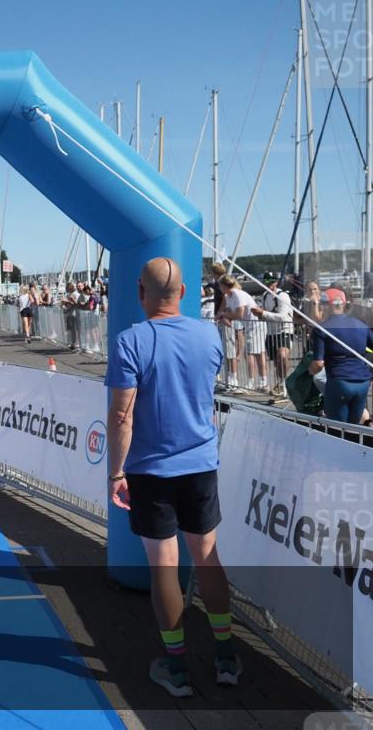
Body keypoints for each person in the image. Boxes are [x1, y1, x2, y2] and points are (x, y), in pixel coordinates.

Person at [105, 257, 240, 698]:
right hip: (200, 464)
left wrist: (115, 472)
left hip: (152, 470)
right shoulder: (208, 334)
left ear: (139, 293)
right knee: (207, 558)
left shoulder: (131, 341)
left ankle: (176, 666)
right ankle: (225, 657)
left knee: (163, 564)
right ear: (183, 293)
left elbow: (122, 416)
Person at [309, 292, 373, 424]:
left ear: (326, 306)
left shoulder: (321, 329)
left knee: (339, 430)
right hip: (362, 384)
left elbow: (319, 364)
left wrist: (310, 370)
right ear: (343, 304)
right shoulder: (361, 325)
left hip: (340, 382)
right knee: (354, 428)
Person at [218, 275, 264, 393]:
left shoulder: (238, 294)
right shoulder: (229, 296)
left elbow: (239, 314)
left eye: (220, 286)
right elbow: (229, 312)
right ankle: (258, 382)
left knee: (251, 354)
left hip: (256, 325)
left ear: (224, 286)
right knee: (254, 353)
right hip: (248, 325)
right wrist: (225, 316)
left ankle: (251, 383)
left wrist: (224, 315)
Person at [252, 274, 294, 399]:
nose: (270, 284)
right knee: (276, 361)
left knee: (282, 355)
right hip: (271, 332)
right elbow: (264, 315)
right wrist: (258, 314)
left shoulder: (283, 296)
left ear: (277, 282)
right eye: (267, 281)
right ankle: (281, 384)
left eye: (272, 281)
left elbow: (283, 317)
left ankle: (285, 384)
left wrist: (263, 313)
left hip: (284, 330)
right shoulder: (265, 296)